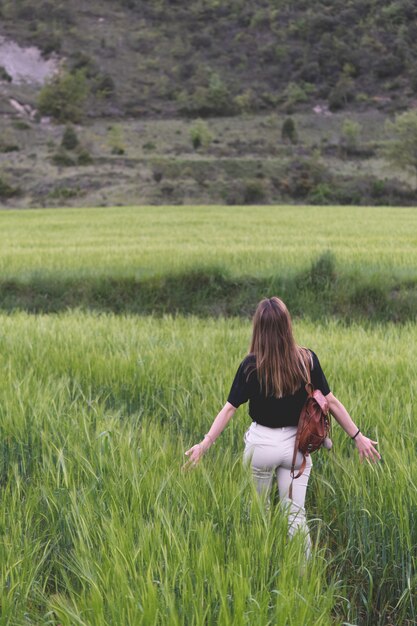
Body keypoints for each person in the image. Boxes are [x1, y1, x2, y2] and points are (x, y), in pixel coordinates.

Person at [183, 297, 380, 556]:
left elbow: (230, 408)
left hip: (261, 447)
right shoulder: (306, 360)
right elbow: (330, 402)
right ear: (287, 326)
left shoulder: (250, 366)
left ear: (259, 329)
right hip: (296, 447)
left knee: (258, 516)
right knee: (296, 517)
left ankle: (261, 568)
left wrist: (205, 443)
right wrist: (358, 436)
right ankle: (304, 577)